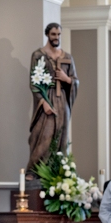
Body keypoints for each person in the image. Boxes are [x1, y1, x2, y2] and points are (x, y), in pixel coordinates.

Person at [27, 23, 79, 168]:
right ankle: (35, 170)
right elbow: (33, 83)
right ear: (47, 35)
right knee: (43, 135)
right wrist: (43, 103)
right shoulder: (38, 55)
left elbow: (75, 81)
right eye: (53, 34)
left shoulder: (67, 57)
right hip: (46, 99)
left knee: (61, 136)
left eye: (58, 34)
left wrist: (66, 78)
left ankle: (58, 170)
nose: (56, 37)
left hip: (62, 100)